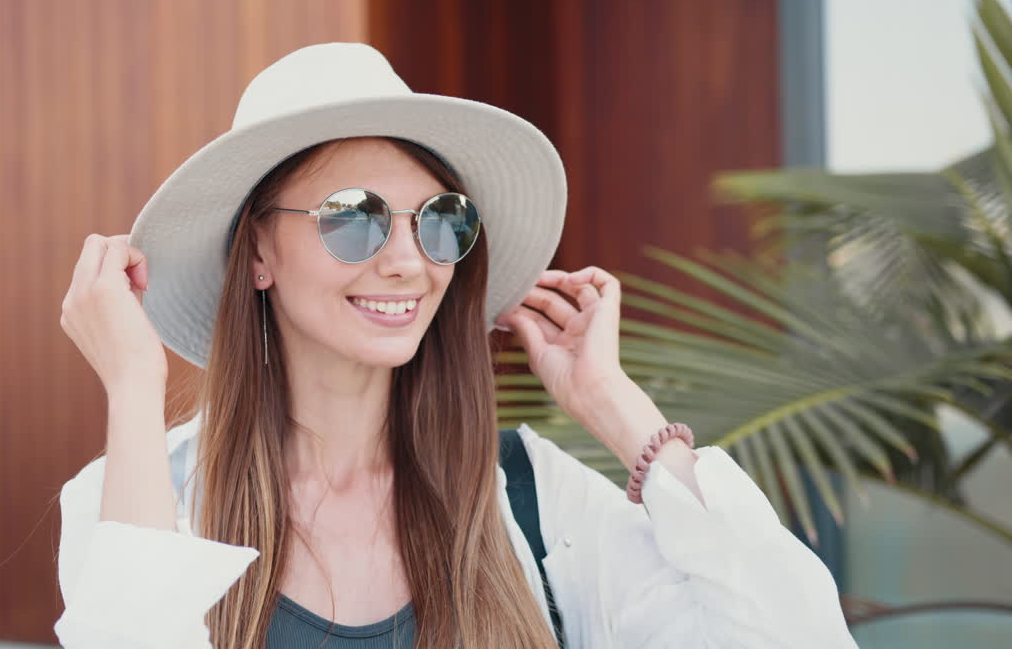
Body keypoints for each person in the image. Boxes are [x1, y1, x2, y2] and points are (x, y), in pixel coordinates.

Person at [53, 43, 859, 648]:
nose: (408, 259)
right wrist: (131, 386)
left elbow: (793, 635)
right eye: (351, 216)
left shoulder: (530, 495)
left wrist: (614, 407)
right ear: (259, 253)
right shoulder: (140, 499)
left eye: (442, 220)